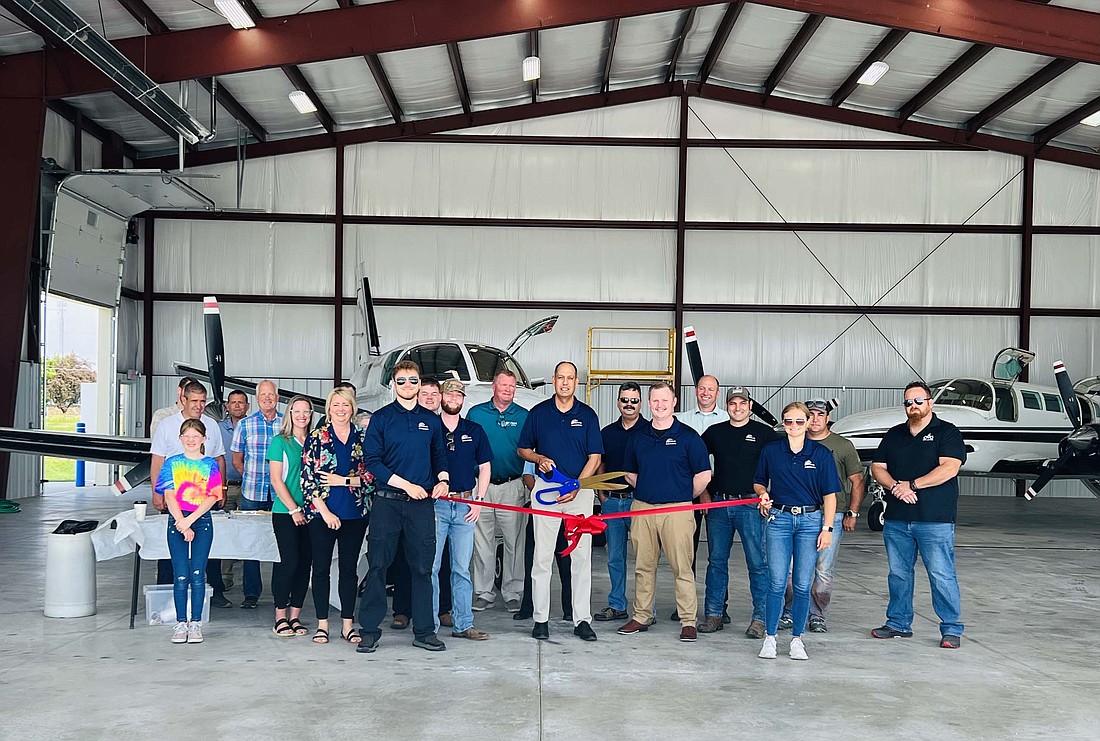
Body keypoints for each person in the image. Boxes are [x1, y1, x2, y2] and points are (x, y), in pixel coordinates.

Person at [357, 361, 450, 653]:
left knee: (422, 568)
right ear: (393, 385)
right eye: (402, 381)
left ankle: (424, 631)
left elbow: (440, 456)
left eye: (413, 381)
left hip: (421, 507)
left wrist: (444, 480)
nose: (408, 386)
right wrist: (405, 485)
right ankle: (369, 630)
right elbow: (372, 462)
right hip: (387, 504)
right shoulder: (381, 419)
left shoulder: (432, 421)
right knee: (378, 567)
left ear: (419, 384)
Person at [870, 382, 966, 649]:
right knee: (898, 574)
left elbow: (949, 468)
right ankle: (898, 624)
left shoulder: (947, 432)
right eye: (908, 402)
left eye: (918, 401)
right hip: (897, 518)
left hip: (934, 519)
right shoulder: (894, 434)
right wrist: (895, 488)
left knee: (941, 574)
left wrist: (912, 485)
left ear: (930, 403)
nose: (913, 406)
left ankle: (951, 629)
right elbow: (878, 467)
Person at [617, 382, 711, 642]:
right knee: (643, 567)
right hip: (643, 509)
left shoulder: (689, 437)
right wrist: (651, 490)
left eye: (664, 401)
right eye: (655, 401)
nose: (659, 406)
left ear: (674, 403)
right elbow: (630, 473)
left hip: (677, 511)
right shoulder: (638, 437)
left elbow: (703, 476)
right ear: (649, 403)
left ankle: (688, 620)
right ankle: (641, 615)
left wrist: (678, 495)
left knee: (682, 567)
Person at [518, 360, 603, 642]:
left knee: (581, 558)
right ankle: (540, 618)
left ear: (576, 382)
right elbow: (522, 449)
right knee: (542, 556)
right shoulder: (539, 413)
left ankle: (582, 619)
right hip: (546, 491)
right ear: (553, 380)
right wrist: (539, 458)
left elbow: (595, 457)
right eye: (560, 377)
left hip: (580, 493)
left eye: (570, 378)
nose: (565, 382)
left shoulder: (588, 415)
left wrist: (578, 484)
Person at [754, 402, 840, 661]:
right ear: (783, 424)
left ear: (808, 422)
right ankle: (770, 637)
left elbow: (830, 496)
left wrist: (827, 528)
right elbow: (759, 482)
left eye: (799, 421)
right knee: (777, 582)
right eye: (788, 422)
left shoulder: (822, 454)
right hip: (779, 519)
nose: (793, 426)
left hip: (810, 521)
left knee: (803, 584)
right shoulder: (772, 451)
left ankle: (797, 639)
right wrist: (763, 495)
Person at [779, 398, 865, 633]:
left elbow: (857, 481)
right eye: (811, 415)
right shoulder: (793, 442)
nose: (815, 419)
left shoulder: (843, 445)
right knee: (790, 567)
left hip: (833, 515)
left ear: (828, 418)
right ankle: (789, 611)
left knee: (823, 569)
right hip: (799, 514)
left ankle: (817, 615)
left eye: (820, 414)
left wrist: (853, 513)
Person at [699, 386, 779, 638]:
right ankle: (714, 614)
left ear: (750, 405)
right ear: (727, 406)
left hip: (751, 505)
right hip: (719, 505)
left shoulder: (765, 434)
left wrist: (769, 495)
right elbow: (697, 462)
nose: (737, 408)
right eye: (732, 403)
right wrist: (703, 493)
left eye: (742, 403)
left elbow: (782, 461)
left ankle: (760, 618)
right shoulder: (714, 433)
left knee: (757, 563)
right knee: (716, 562)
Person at [301, 387, 373, 645]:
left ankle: (347, 624)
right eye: (336, 405)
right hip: (322, 515)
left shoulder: (363, 437)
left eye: (345, 405)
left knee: (349, 570)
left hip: (354, 513)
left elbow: (370, 478)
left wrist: (341, 480)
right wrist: (325, 512)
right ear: (328, 409)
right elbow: (307, 479)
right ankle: (323, 624)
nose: (341, 409)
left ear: (352, 408)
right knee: (320, 569)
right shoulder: (317, 437)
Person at [150, 381, 227, 604]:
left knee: (207, 552)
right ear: (183, 399)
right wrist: (157, 491)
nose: (199, 405)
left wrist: (220, 488)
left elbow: (218, 458)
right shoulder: (167, 425)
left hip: (203, 501)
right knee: (172, 553)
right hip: (174, 499)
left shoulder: (212, 425)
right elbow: (157, 459)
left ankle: (215, 593)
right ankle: (166, 595)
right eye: (194, 401)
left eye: (203, 401)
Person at [389, 378, 453, 630]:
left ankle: (442, 608)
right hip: (412, 500)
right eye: (423, 393)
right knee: (407, 555)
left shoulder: (446, 424)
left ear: (441, 397)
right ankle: (403, 610)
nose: (428, 397)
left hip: (442, 499)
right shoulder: (409, 424)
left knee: (442, 556)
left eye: (433, 393)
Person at [154, 418, 224, 645]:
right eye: (187, 436)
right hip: (177, 519)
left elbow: (212, 496)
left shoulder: (210, 464)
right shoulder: (172, 463)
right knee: (180, 574)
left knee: (197, 573)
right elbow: (169, 494)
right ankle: (180, 622)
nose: (191, 441)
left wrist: (190, 521)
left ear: (204, 439)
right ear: (180, 439)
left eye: (196, 436)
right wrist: (181, 522)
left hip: (201, 519)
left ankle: (195, 622)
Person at [433, 379, 492, 640]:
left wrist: (479, 499)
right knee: (431, 568)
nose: (454, 398)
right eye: (450, 394)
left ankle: (463, 623)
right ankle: (429, 625)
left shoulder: (475, 430)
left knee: (461, 568)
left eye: (459, 395)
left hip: (466, 504)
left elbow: (485, 467)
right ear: (441, 397)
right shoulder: (431, 428)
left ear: (463, 399)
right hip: (437, 506)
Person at [466, 370, 529, 614]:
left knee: (515, 542)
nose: (508, 390)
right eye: (503, 385)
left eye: (512, 386)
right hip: (482, 486)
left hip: (512, 486)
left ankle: (513, 592)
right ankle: (484, 592)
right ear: (494, 387)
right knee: (482, 541)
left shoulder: (524, 416)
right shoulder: (477, 414)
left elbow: (531, 449)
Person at [674, 374, 728, 622]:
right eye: (702, 388)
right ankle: (685, 605)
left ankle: (719, 606)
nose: (706, 393)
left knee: (719, 553)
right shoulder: (681, 420)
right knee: (686, 551)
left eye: (711, 389)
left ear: (718, 394)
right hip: (688, 490)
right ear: (696, 391)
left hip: (721, 490)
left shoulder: (729, 419)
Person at [593, 382, 645, 623]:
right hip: (612, 503)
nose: (629, 404)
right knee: (615, 557)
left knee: (645, 558)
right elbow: (600, 463)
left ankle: (646, 610)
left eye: (634, 401)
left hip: (639, 503)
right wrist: (601, 493)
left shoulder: (650, 431)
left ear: (640, 403)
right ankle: (617, 605)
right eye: (625, 400)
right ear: (617, 402)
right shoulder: (607, 433)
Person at [231, 380, 282, 609]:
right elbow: (237, 459)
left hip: (281, 493)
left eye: (271, 395)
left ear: (277, 397)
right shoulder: (245, 425)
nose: (267, 398)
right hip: (252, 492)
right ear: (257, 398)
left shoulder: (286, 423)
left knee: (283, 543)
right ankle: (251, 594)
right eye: (263, 395)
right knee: (252, 544)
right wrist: (251, 475)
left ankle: (282, 592)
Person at [268, 395, 314, 637]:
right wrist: (294, 509)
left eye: (306, 411)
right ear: (290, 414)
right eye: (297, 411)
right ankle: (280, 616)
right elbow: (276, 480)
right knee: (289, 562)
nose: (302, 415)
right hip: (286, 512)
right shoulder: (280, 442)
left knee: (305, 563)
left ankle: (296, 616)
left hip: (311, 512)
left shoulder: (315, 441)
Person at [512, 460, 574, 622]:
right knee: (533, 561)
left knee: (567, 563)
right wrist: (543, 493)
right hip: (540, 507)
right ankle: (528, 606)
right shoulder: (537, 450)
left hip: (566, 510)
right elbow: (527, 475)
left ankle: (570, 609)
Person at [217, 389, 249, 596]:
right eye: (233, 402)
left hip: (249, 487)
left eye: (241, 402)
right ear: (227, 406)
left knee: (248, 533)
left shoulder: (253, 426)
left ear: (247, 406)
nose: (237, 405)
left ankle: (250, 583)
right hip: (225, 486)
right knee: (225, 533)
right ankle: (225, 578)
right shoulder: (216, 429)